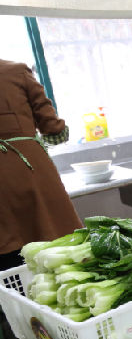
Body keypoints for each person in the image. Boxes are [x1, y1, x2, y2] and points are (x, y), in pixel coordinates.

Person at [0, 58, 82, 272]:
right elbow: (54, 130)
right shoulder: (15, 71)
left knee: (9, 267)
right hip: (28, 171)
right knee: (56, 249)